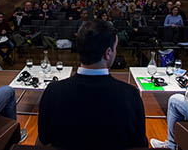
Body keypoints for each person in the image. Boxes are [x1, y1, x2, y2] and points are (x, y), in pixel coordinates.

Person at [38, 20, 148, 150]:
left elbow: (44, 138)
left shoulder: (53, 91)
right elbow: (140, 144)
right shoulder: (131, 95)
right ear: (108, 53)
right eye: (115, 48)